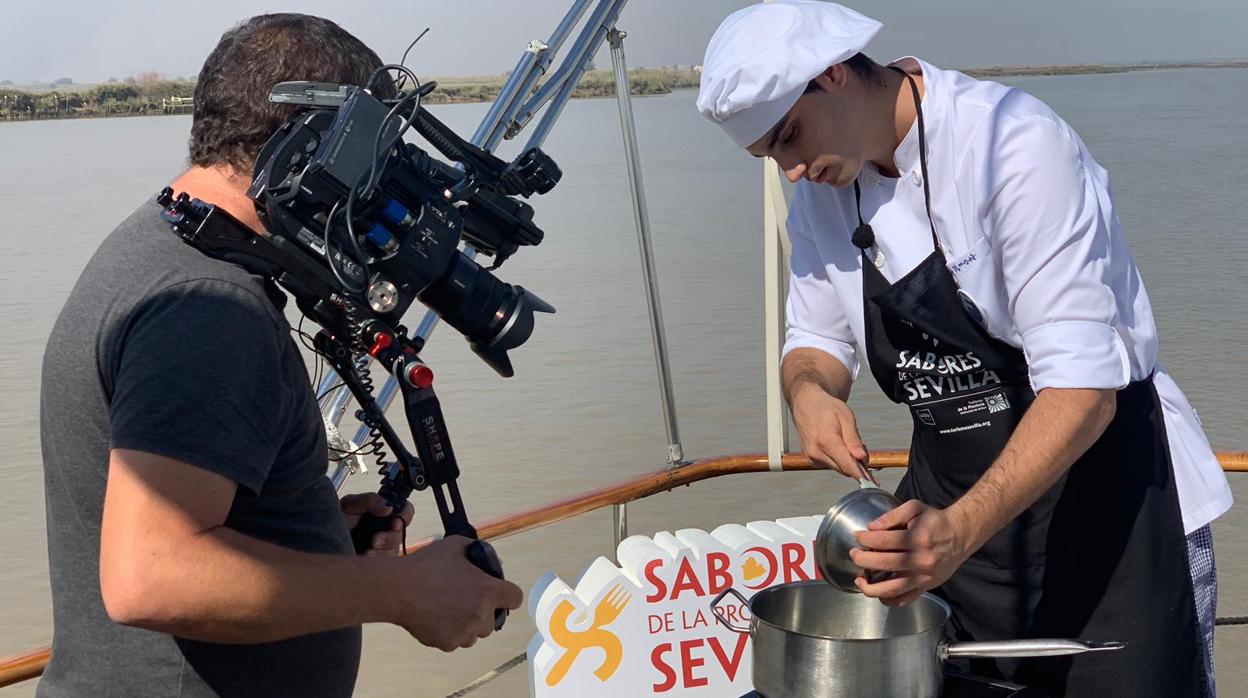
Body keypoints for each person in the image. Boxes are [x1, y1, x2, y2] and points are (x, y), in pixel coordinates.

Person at [696, 2, 1229, 696]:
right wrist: (811, 394)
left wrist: (956, 533)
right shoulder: (824, 188)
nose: (792, 170)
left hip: (1116, 522)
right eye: (771, 155)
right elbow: (816, 340)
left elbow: (1084, 391)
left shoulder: (1013, 145)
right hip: (953, 543)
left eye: (790, 136)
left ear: (833, 74)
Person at [38, 14, 522, 698]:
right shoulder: (208, 306)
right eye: (375, 156)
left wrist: (308, 530)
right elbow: (151, 575)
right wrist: (398, 591)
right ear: (318, 144)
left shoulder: (162, 239)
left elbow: (190, 508)